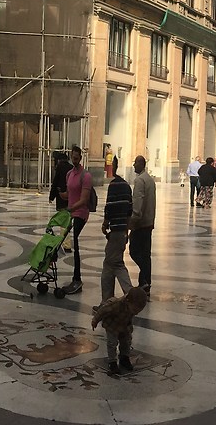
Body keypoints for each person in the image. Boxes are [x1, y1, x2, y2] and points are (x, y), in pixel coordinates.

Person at [56, 151, 95, 296]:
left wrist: (72, 208)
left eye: (77, 158)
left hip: (80, 213)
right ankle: (75, 277)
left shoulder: (86, 176)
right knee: (68, 242)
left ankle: (77, 279)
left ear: (81, 158)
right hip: (71, 212)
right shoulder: (69, 174)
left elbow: (84, 199)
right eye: (73, 158)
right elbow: (70, 194)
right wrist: (61, 194)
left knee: (76, 244)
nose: (75, 160)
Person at [91, 285, 148, 376]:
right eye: (134, 310)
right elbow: (102, 310)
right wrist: (95, 320)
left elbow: (129, 316)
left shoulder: (132, 305)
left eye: (138, 311)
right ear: (128, 301)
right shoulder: (115, 304)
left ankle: (124, 358)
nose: (136, 313)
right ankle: (112, 362)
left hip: (125, 325)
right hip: (112, 325)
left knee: (126, 341)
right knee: (112, 343)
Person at [100, 160, 135, 301]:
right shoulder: (126, 186)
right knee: (110, 264)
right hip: (121, 231)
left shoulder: (113, 186)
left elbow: (110, 207)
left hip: (115, 231)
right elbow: (129, 210)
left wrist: (105, 223)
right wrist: (127, 231)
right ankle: (107, 300)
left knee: (116, 264)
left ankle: (130, 294)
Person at [128, 155, 156, 288]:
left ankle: (144, 275)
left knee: (133, 251)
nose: (134, 165)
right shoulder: (150, 180)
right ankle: (145, 282)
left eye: (135, 163)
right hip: (149, 221)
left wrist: (133, 221)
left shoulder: (139, 181)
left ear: (141, 164)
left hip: (141, 223)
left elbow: (137, 203)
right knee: (146, 253)